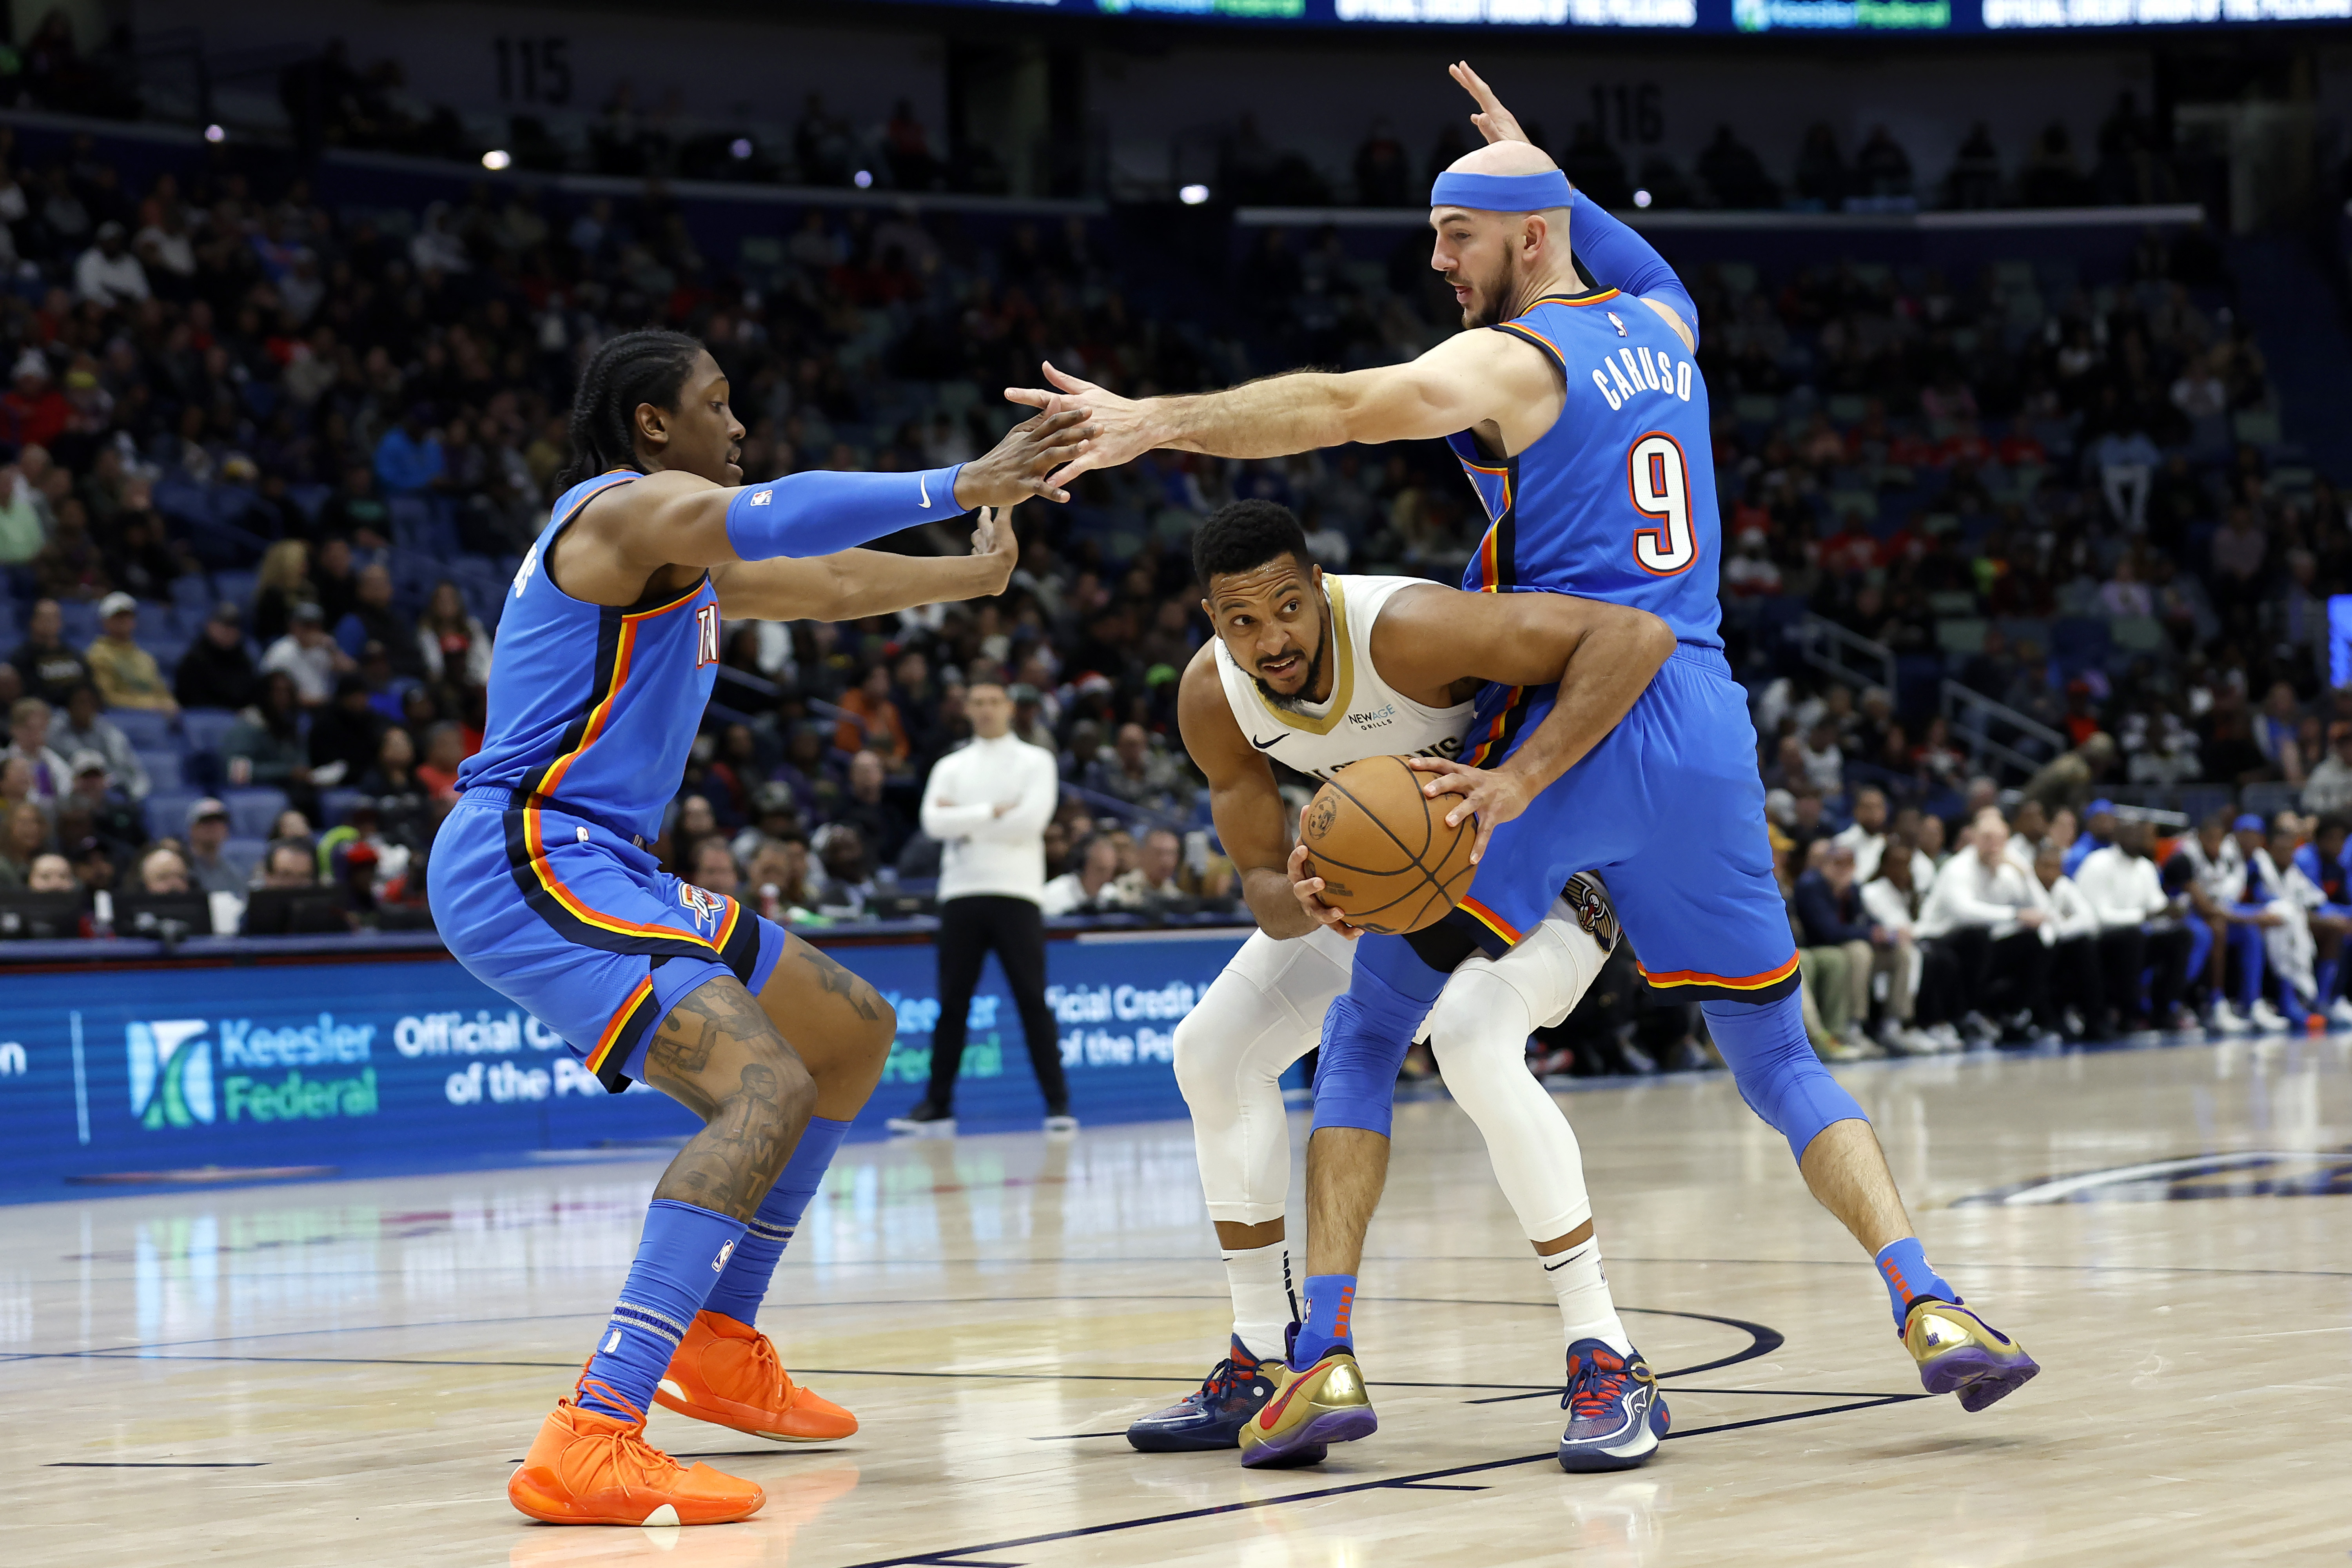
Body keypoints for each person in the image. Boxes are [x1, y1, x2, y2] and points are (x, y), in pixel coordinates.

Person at [1018, 63, 2034, 1462]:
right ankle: (1928, 1299)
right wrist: (1542, 171)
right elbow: (1636, 256)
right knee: (1775, 1052)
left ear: (1529, 241)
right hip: (1707, 717)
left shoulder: (1511, 364)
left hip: (1577, 712)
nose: (1435, 259)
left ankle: (1319, 1360)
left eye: (1456, 233)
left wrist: (1155, 421)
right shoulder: (1663, 328)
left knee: (1371, 1032)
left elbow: (1337, 404)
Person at [423, 327, 1085, 1527]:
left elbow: (826, 582)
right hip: (526, 849)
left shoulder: (679, 563)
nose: (738, 428)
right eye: (716, 406)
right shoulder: (618, 518)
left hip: (606, 860)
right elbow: (783, 518)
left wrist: (967, 577)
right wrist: (959, 483)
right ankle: (596, 1425)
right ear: (650, 427)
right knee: (763, 1086)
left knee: (848, 1033)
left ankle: (719, 1336)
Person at [1122, 500, 1673, 1470]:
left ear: (1319, 589)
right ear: (1212, 620)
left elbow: (1633, 636)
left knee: (1467, 1036)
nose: (1271, 639)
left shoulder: (1409, 627)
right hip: (1395, 895)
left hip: (1542, 879)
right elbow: (1261, 888)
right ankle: (1263, 1357)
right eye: (1241, 622)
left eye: (1287, 609)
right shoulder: (1216, 696)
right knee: (1210, 1049)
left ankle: (1608, 1352)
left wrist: (1521, 780)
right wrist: (1297, 895)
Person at [891, 679, 1066, 1135]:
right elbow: (933, 823)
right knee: (952, 1003)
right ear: (967, 709)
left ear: (1008, 706)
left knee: (1032, 999)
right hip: (961, 894)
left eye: (994, 702)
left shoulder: (1036, 761)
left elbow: (1032, 820)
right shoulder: (951, 765)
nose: (987, 710)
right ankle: (938, 1105)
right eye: (978, 703)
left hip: (1019, 894)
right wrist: (993, 811)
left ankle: (1059, 1105)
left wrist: (964, 818)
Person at [1918, 808, 2054, 1044]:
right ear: (1974, 839)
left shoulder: (2008, 870)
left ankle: (2011, 1015)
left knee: (2034, 943)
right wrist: (2015, 915)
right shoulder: (1958, 868)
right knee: (1977, 938)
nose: (1994, 845)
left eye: (2000, 840)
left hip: (1984, 944)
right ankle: (1967, 1017)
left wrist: (2027, 874)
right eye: (1987, 839)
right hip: (1941, 938)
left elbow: (2044, 912)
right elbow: (1965, 913)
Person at [2075, 818, 2193, 1031]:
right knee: (2134, 936)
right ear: (2117, 836)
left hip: (2135, 938)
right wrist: (2144, 915)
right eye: (2131, 833)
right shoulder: (2098, 863)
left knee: (2182, 935)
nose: (2137, 838)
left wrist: (2172, 909)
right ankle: (2128, 1014)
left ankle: (2164, 1010)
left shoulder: (2146, 867)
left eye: (2141, 834)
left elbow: (2157, 906)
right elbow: (2100, 917)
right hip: (2100, 943)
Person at [83, 591, 177, 714]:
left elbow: (162, 692)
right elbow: (108, 698)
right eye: (119, 617)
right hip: (120, 719)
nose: (125, 621)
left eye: (129, 616)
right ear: (105, 621)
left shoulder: (145, 657)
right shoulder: (97, 655)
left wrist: (169, 703)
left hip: (152, 719)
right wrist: (152, 705)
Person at [53, 682, 147, 800]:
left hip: (109, 793)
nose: (84, 708)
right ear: (69, 706)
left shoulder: (111, 735)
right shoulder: (54, 734)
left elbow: (133, 774)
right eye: (80, 702)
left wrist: (129, 796)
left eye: (89, 703)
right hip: (69, 796)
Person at [174, 602, 259, 712]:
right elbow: (191, 700)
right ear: (210, 626)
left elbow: (250, 695)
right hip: (203, 721)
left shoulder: (244, 661)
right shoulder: (194, 660)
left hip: (238, 720)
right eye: (223, 625)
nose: (228, 631)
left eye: (233, 626)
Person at [9, 598, 91, 705]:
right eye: (45, 618)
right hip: (43, 713)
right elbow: (29, 695)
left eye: (55, 618)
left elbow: (89, 686)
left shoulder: (74, 655)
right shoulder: (22, 657)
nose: (50, 623)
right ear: (33, 622)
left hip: (76, 712)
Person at [183, 796, 257, 896]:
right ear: (192, 829)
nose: (214, 827)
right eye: (206, 822)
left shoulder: (233, 873)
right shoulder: (183, 870)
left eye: (220, 822)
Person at [1039, 833, 1118, 914]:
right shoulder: (1051, 896)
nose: (1107, 878)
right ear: (1082, 865)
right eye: (1100, 870)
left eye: (1111, 871)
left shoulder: (1112, 896)